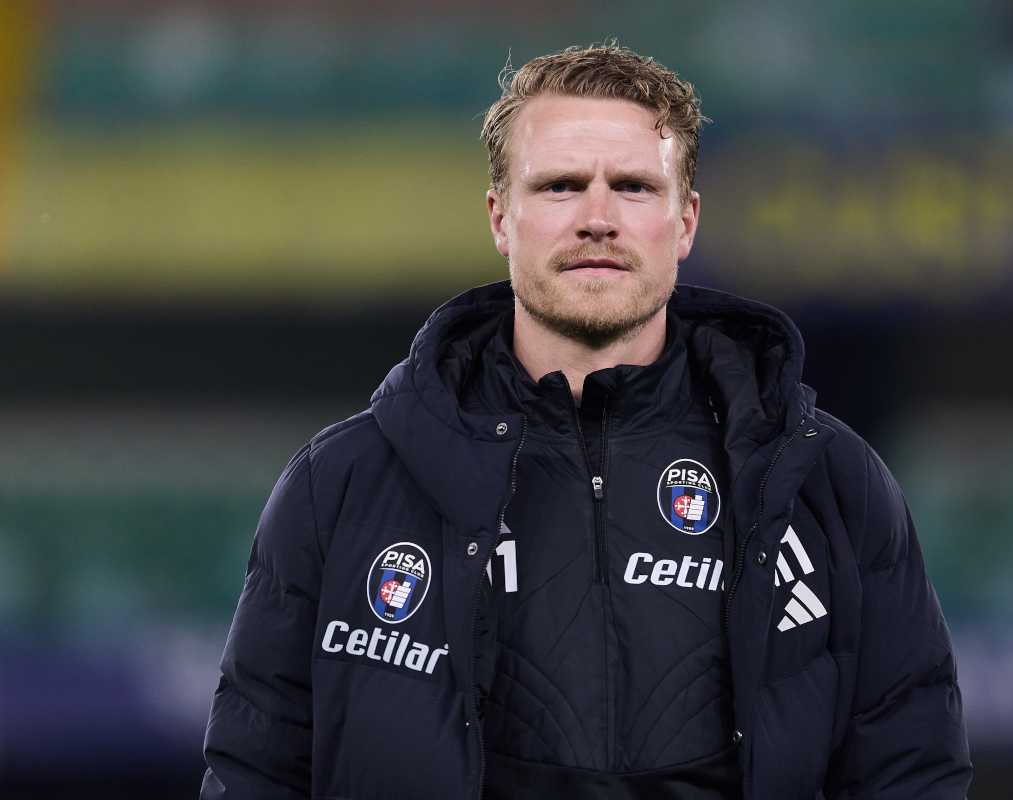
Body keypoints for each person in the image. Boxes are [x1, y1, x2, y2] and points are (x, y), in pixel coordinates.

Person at [201, 44, 971, 800]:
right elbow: (254, 771)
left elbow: (912, 770)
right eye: (563, 185)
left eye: (633, 187)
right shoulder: (338, 487)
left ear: (686, 220)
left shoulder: (829, 482)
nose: (597, 218)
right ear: (502, 218)